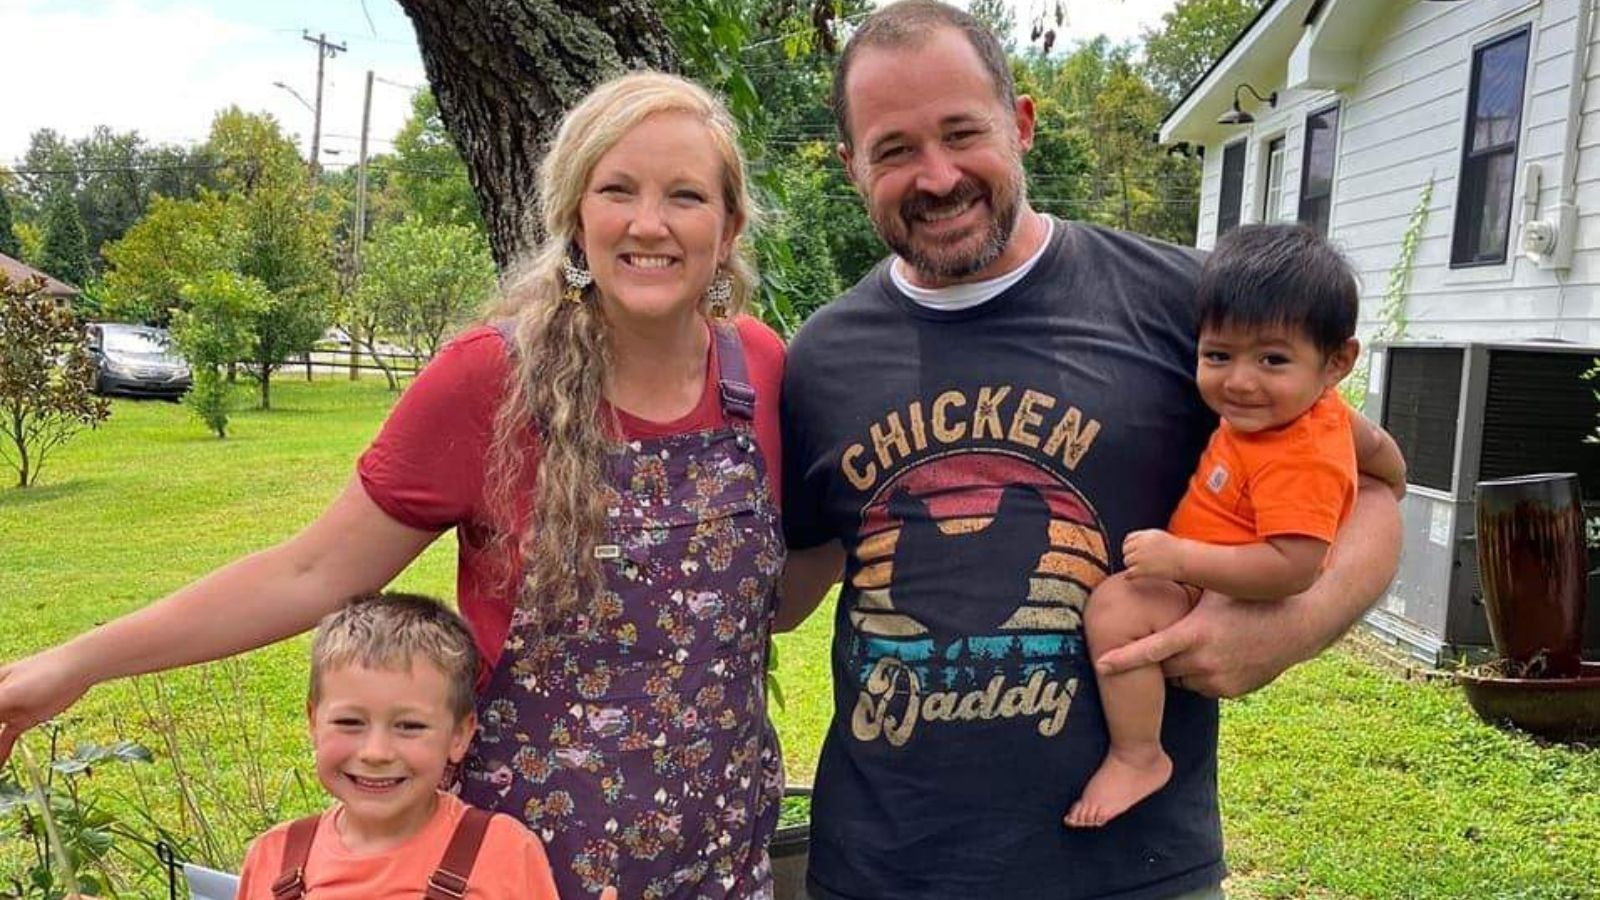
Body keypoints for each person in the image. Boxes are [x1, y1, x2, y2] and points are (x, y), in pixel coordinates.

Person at [0, 72, 786, 900]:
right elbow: (310, 573)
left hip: (718, 864)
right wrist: (77, 664)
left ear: (728, 225)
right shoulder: (488, 380)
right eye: (616, 189)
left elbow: (781, 593)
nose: (648, 223)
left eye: (686, 196)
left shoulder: (759, 371)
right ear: (575, 215)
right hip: (511, 872)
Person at [774, 2, 1402, 899]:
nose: (937, 175)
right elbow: (794, 580)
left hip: (1132, 871)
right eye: (895, 150)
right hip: (880, 870)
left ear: (1022, 123)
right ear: (850, 168)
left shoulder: (1190, 312)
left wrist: (1288, 628)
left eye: (962, 133)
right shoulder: (820, 357)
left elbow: (1379, 487)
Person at [1063, 224, 1407, 829]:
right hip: (1212, 560)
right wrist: (1395, 474)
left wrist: (1180, 561)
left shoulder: (1301, 458)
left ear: (1338, 362)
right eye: (1218, 356)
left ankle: (1138, 754)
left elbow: (1294, 568)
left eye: (1272, 359)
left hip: (1218, 582)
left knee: (1117, 610)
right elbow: (1373, 444)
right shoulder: (1319, 407)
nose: (1240, 381)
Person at [234, 592, 561, 899]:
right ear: (313, 722)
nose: (376, 753)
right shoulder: (274, 858)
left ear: (459, 735)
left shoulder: (503, 853)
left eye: (410, 726)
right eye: (349, 722)